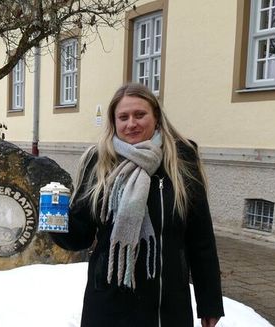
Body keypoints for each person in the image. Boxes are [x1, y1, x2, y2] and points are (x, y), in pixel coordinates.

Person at [49, 83, 224, 326]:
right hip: (110, 303)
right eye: (123, 117)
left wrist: (209, 302)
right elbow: (81, 235)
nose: (131, 123)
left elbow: (200, 237)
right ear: (114, 122)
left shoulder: (180, 160)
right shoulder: (99, 161)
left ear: (156, 117)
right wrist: (54, 218)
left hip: (166, 305)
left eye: (140, 115)